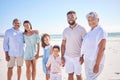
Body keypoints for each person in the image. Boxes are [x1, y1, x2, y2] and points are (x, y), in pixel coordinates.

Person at [61, 10, 86, 80]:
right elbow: (63, 45)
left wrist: (82, 56)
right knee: (70, 74)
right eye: (68, 17)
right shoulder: (65, 30)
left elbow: (85, 44)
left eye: (72, 17)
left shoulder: (82, 29)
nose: (70, 19)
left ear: (76, 18)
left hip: (78, 57)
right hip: (67, 57)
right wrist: (62, 56)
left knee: (78, 75)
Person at [81, 12, 107, 80]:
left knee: (91, 78)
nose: (91, 22)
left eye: (93, 19)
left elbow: (102, 48)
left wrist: (97, 64)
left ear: (98, 20)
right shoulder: (90, 32)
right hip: (88, 59)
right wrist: (82, 56)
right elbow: (85, 46)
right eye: (89, 20)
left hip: (95, 60)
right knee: (88, 78)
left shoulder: (101, 30)